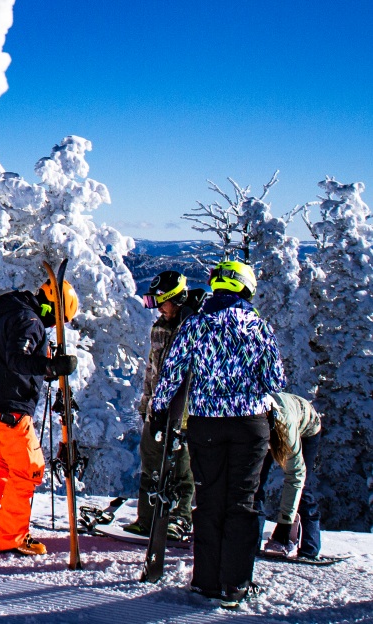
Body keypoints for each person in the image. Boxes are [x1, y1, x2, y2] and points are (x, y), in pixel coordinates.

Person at [150, 259, 284, 609]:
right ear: (245, 286)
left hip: (206, 423)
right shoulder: (258, 326)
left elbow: (172, 372)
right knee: (241, 501)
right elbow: (276, 381)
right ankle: (235, 584)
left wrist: (160, 409)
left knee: (208, 499)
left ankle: (206, 581)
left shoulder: (195, 324)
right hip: (249, 423)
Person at [0, 273, 78, 556]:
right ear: (52, 307)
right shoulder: (29, 320)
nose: (53, 326)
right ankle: (12, 537)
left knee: (4, 465)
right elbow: (17, 359)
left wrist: (44, 365)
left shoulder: (13, 314)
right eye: (57, 321)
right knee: (29, 469)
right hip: (9, 409)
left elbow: (15, 357)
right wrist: (50, 367)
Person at [125, 270, 196, 539]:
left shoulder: (191, 329)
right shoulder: (159, 328)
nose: (157, 308)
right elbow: (152, 371)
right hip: (156, 408)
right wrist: (146, 405)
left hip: (182, 412)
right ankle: (147, 518)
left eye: (160, 302)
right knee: (151, 462)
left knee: (180, 466)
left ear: (175, 300)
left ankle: (179, 519)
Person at [257, 391, 322, 560]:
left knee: (302, 488)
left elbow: (296, 476)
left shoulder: (285, 427)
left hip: (307, 429)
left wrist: (285, 524)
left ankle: (310, 547)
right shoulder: (252, 418)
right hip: (270, 426)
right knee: (255, 484)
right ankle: (251, 542)